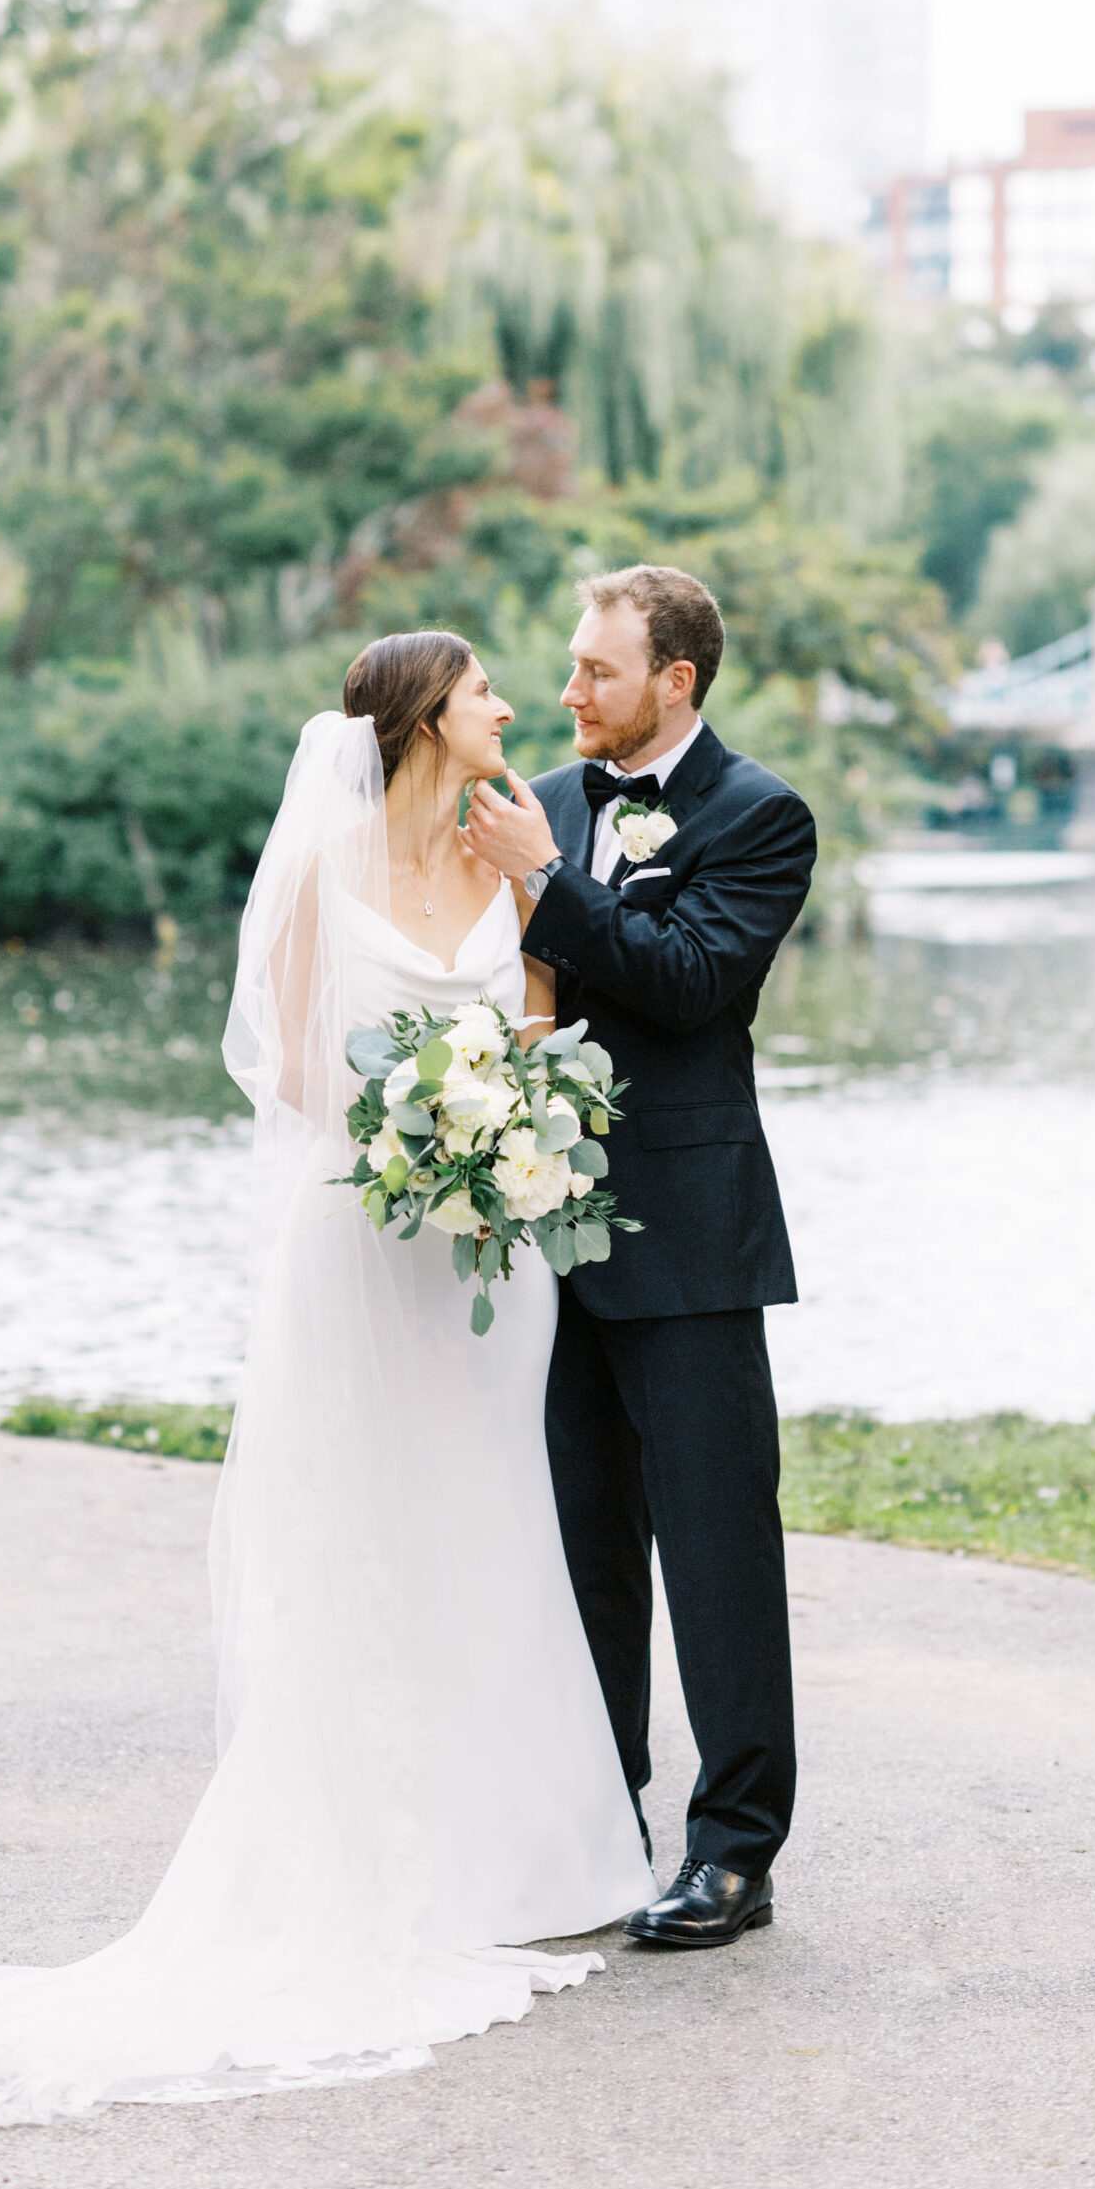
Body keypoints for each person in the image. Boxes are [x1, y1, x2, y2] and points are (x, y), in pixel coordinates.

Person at [0, 633, 652, 2122]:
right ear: (420, 722)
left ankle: (525, 1855)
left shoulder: (509, 854)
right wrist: (420, 1136)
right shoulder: (329, 873)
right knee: (371, 1523)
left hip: (493, 1252)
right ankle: (374, 1852)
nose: (512, 709)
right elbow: (287, 1065)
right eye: (483, 695)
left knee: (495, 1511)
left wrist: (501, 1125)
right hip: (368, 1223)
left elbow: (529, 1021)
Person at [463, 564, 816, 1948]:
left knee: (719, 1555)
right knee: (584, 1552)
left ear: (675, 680)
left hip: (692, 1238)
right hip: (552, 1234)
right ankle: (602, 1825)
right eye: (567, 666)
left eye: (596, 673)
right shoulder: (538, 804)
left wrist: (547, 886)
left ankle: (736, 1853)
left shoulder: (760, 815)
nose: (568, 694)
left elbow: (684, 982)